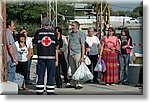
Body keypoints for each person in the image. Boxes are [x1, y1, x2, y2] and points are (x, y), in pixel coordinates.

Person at [33, 17, 58, 95]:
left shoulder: (38, 32)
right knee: (51, 74)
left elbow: (34, 43)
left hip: (41, 57)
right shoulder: (54, 33)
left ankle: (39, 90)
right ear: (50, 24)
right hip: (51, 57)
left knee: (40, 73)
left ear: (42, 24)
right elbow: (56, 46)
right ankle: (50, 91)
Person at [68, 21, 86, 89]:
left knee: (78, 68)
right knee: (73, 69)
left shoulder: (81, 34)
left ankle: (79, 83)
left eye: (73, 25)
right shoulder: (70, 34)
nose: (72, 27)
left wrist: (82, 56)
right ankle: (73, 82)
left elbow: (82, 45)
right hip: (71, 53)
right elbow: (69, 43)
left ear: (77, 26)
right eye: (71, 25)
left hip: (77, 53)